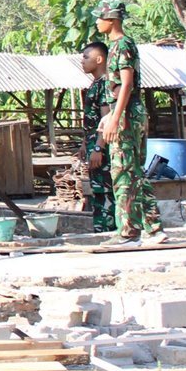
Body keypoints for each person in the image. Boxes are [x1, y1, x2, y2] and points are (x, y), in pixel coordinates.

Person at [94, 0, 165, 244]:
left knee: (123, 173)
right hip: (122, 112)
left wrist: (115, 118)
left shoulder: (122, 44)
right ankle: (154, 229)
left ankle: (127, 231)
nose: (97, 21)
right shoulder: (115, 45)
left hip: (125, 116)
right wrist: (108, 116)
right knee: (133, 172)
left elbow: (126, 83)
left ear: (112, 20)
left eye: (100, 17)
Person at [78, 40, 116, 233]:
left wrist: (99, 147)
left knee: (105, 190)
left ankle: (110, 230)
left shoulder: (105, 85)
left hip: (103, 147)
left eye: (86, 57)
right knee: (97, 190)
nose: (82, 61)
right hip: (93, 144)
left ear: (99, 59)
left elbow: (106, 119)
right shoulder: (94, 84)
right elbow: (91, 120)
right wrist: (85, 143)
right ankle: (101, 230)